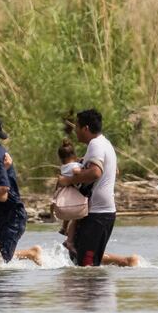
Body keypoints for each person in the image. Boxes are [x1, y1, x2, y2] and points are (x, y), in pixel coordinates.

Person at [58, 109, 138, 267]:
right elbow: (113, 170)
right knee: (79, 258)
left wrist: (69, 180)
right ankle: (125, 262)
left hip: (98, 214)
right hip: (96, 213)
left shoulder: (96, 144)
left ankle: (94, 290)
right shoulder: (103, 144)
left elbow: (95, 172)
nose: (75, 131)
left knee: (87, 265)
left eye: (77, 127)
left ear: (85, 128)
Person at [0, 115, 41, 264]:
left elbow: (3, 189)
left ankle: (32, 253)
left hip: (12, 216)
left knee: (1, 262)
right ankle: (31, 253)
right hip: (3, 214)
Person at [57, 138, 83, 253]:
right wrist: (83, 166)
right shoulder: (75, 165)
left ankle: (63, 227)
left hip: (65, 194)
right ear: (73, 155)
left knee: (68, 215)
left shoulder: (63, 167)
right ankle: (69, 241)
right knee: (76, 218)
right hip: (74, 194)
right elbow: (77, 172)